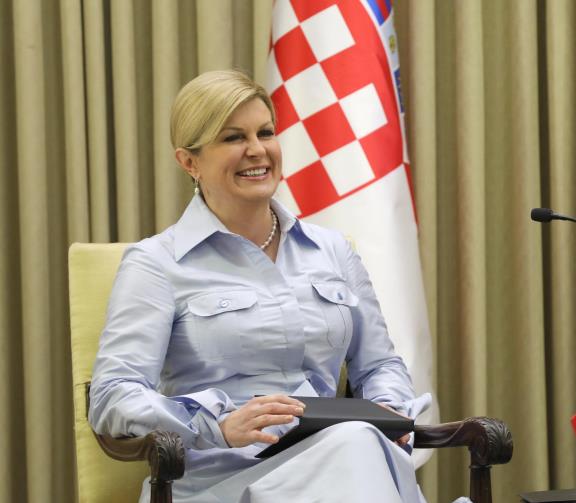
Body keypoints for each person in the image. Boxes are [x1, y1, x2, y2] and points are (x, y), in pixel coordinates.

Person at [88, 69, 432, 503]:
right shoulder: (156, 263)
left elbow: (379, 365)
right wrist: (214, 424)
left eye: (265, 133)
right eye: (233, 138)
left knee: (359, 441)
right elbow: (112, 396)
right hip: (223, 479)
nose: (257, 150)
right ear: (189, 162)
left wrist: (389, 411)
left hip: (341, 455)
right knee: (357, 445)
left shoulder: (332, 251)